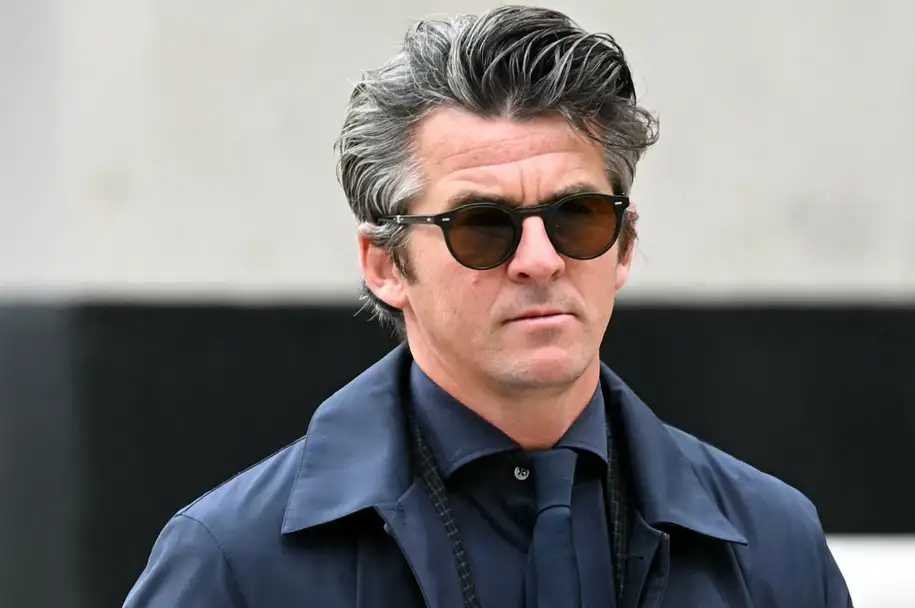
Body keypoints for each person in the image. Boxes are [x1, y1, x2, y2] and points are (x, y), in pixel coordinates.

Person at [124, 6, 852, 607]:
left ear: (625, 245)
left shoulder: (771, 547)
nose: (540, 259)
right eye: (482, 226)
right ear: (385, 265)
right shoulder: (234, 564)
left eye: (578, 218)